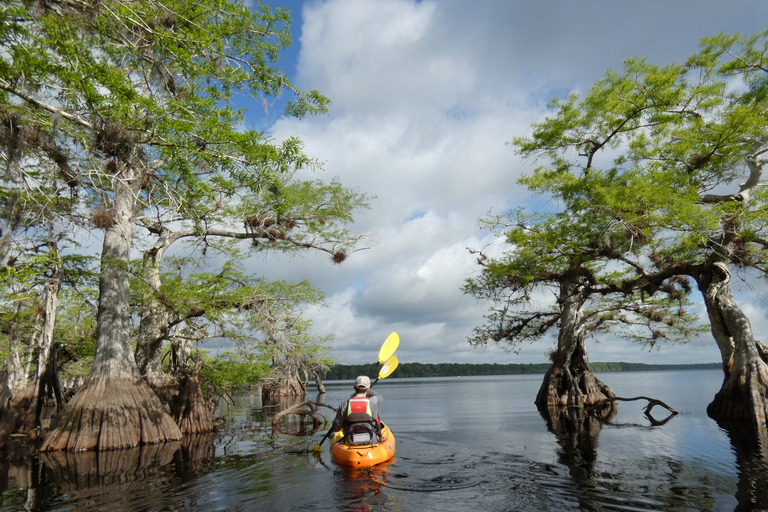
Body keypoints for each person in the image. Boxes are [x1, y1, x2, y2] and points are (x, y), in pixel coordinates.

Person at [331, 375, 383, 446]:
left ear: (354, 387)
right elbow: (378, 396)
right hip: (371, 441)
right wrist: (367, 391)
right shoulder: (373, 401)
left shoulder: (345, 404)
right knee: (377, 417)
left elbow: (336, 428)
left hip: (350, 442)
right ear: (368, 388)